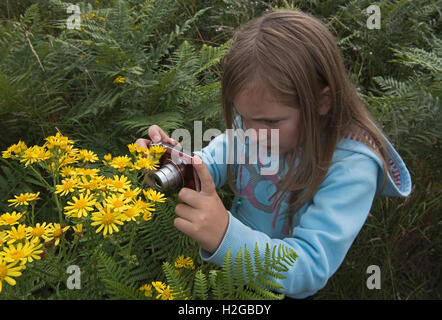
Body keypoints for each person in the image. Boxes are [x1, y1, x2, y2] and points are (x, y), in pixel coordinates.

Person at [136, 10, 412, 299]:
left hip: (283, 290)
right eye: (244, 117)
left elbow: (309, 267)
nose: (253, 133)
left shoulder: (352, 167)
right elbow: (214, 160)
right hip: (229, 271)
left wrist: (225, 235)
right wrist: (175, 164)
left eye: (270, 122)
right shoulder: (258, 123)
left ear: (322, 102)